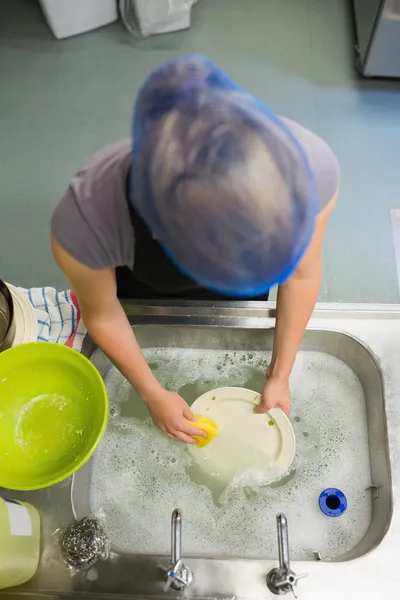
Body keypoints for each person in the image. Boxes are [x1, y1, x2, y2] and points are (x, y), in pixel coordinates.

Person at [51, 54, 339, 444]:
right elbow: (102, 314)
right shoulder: (88, 219)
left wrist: (280, 372)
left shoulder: (311, 168)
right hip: (145, 283)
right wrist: (152, 392)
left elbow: (303, 271)